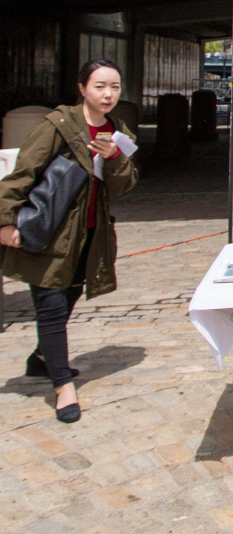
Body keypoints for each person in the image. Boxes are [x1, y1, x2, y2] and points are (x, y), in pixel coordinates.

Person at [0, 59, 139, 424]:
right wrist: (3, 222)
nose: (108, 94)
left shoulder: (119, 131)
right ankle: (63, 387)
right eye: (99, 86)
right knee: (51, 308)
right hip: (50, 233)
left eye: (114, 87)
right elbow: (22, 174)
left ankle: (42, 360)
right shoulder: (58, 126)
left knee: (72, 293)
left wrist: (114, 160)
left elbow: (123, 186)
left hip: (91, 236)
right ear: (82, 88)